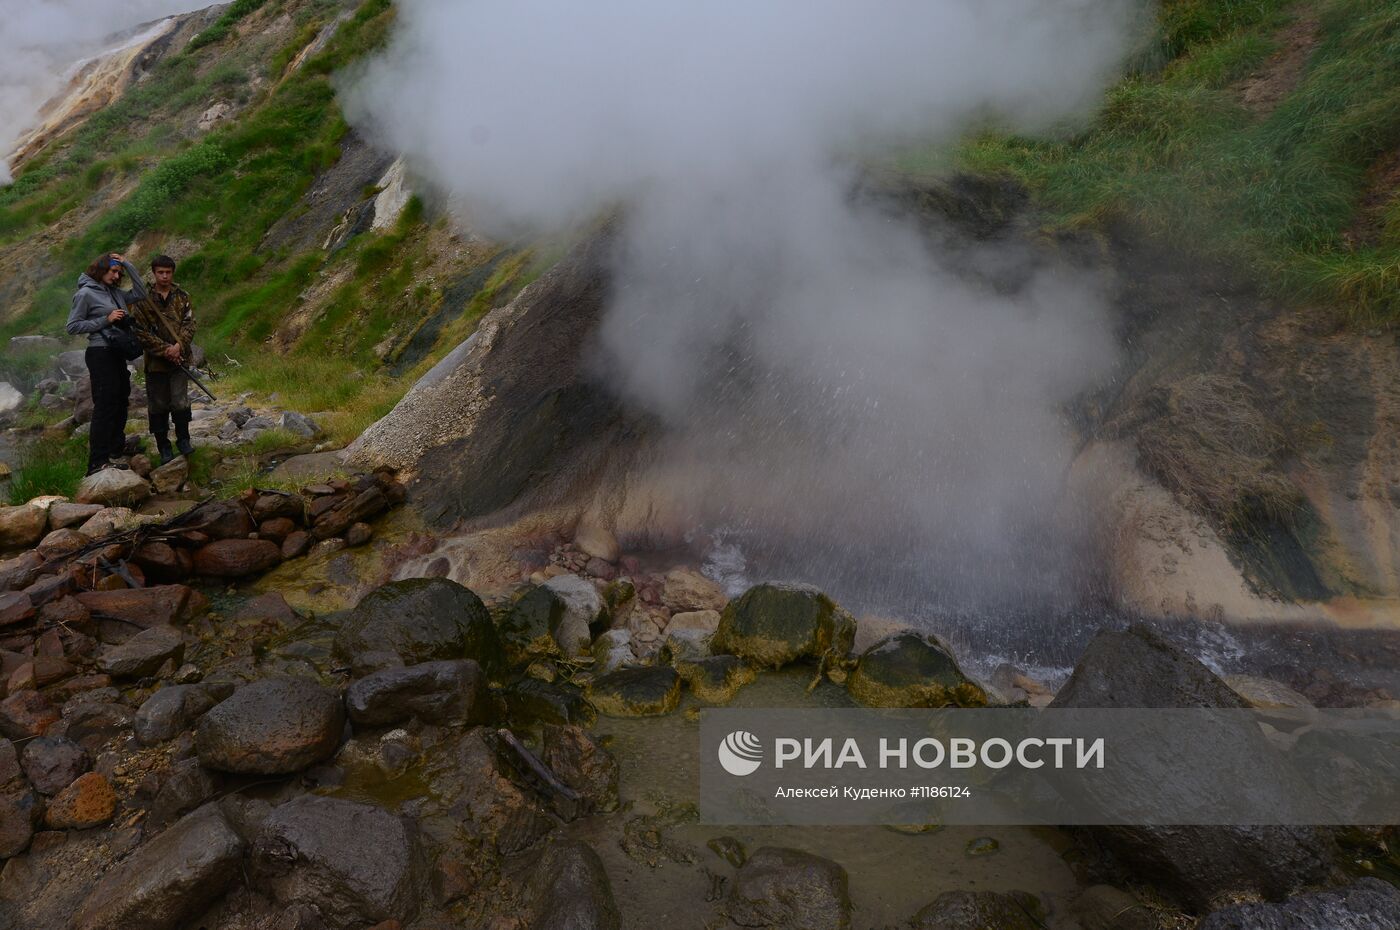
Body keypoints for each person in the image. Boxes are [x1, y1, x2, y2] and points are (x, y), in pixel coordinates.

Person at [65, 253, 147, 475]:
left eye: (119, 272)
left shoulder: (115, 292)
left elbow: (140, 293)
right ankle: (97, 462)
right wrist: (106, 319)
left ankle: (115, 450)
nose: (116, 275)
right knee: (105, 405)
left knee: (121, 401)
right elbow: (72, 326)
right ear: (100, 270)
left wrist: (127, 264)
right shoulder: (85, 294)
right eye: (113, 271)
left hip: (117, 352)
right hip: (100, 352)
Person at [128, 255, 196, 464]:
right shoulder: (142, 299)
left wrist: (178, 347)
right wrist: (166, 350)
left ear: (172, 273)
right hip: (156, 362)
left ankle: (184, 440)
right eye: (160, 272)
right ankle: (163, 446)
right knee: (157, 405)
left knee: (180, 401)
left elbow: (190, 324)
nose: (164, 276)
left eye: (168, 272)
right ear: (154, 273)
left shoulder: (182, 296)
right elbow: (139, 331)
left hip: (180, 360)